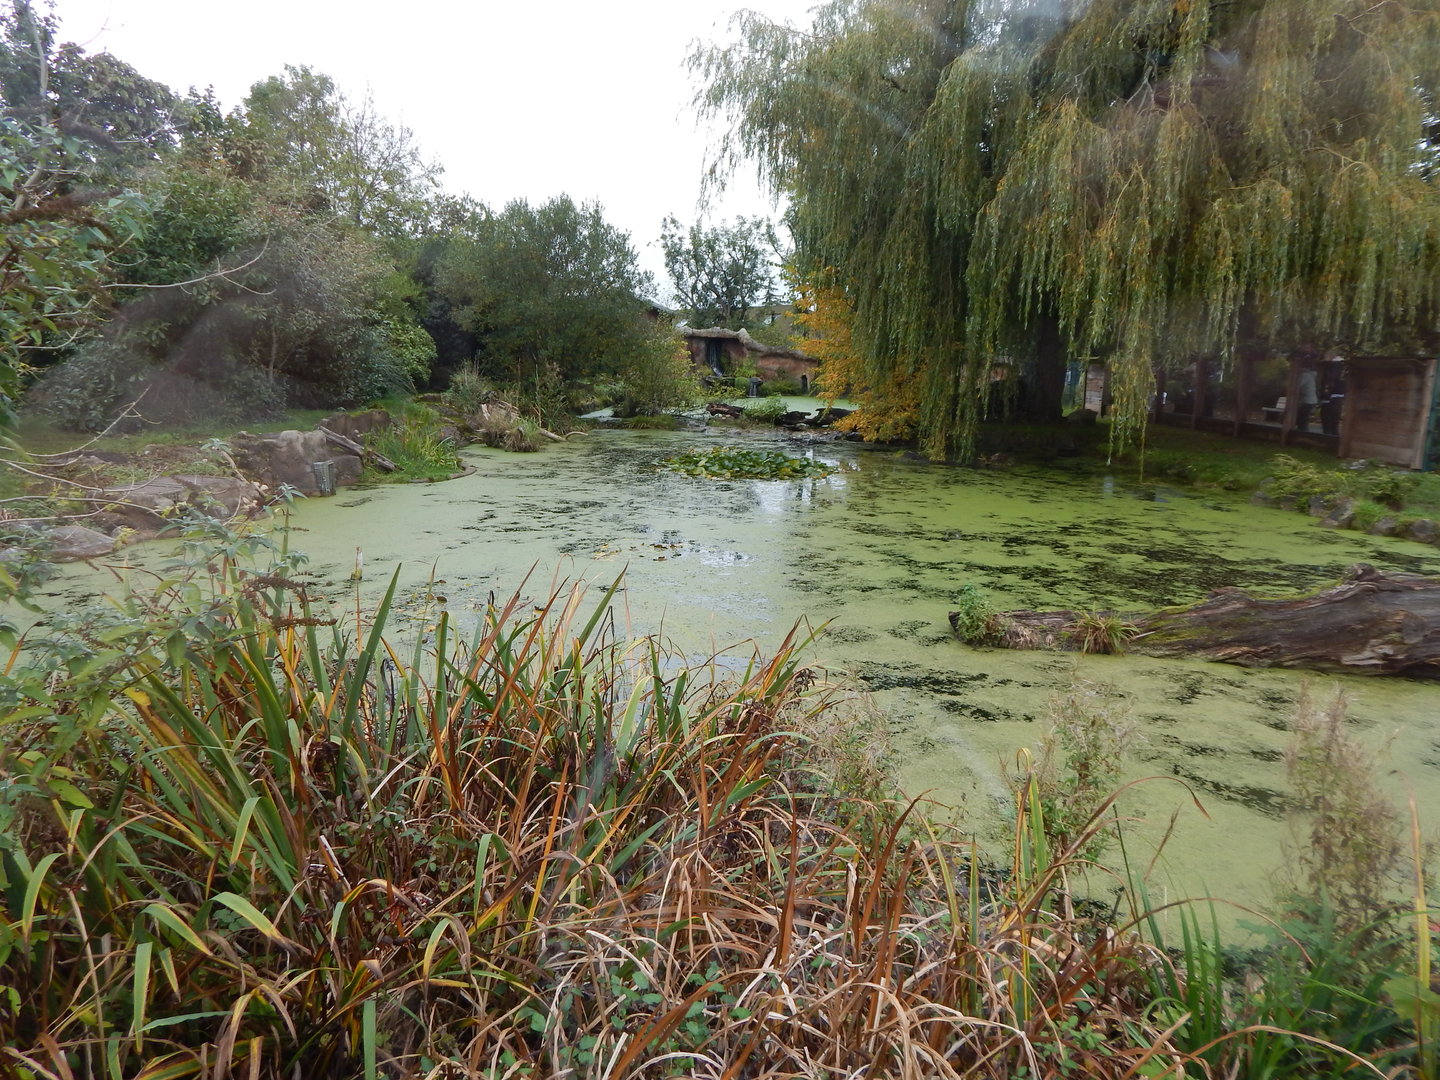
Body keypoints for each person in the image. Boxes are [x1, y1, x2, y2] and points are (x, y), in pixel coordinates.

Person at [1297, 363, 1319, 431]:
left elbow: (1297, 385)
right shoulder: (1311, 375)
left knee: (1302, 418)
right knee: (1304, 418)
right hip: (1312, 400)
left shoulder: (1305, 375)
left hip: (1307, 400)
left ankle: (1302, 432)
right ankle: (1303, 430)